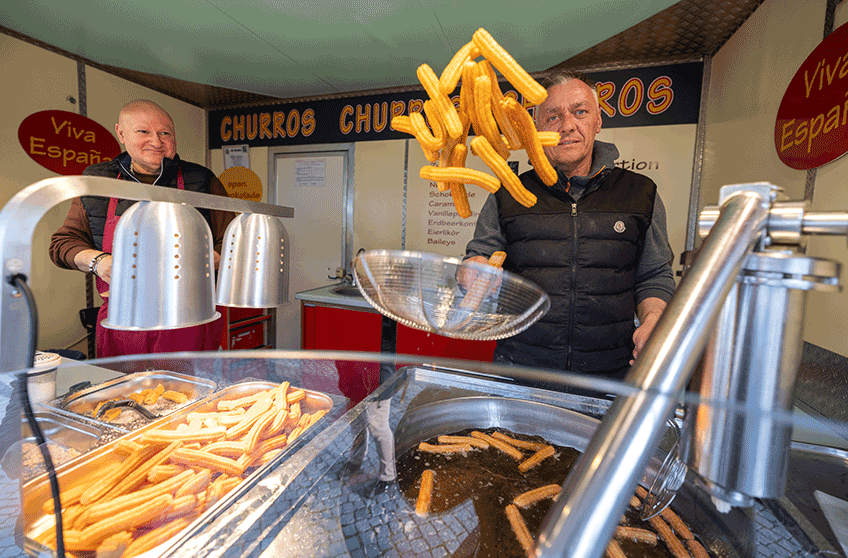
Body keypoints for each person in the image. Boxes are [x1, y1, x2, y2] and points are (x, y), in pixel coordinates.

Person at [463, 71, 675, 379]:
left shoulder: (641, 193)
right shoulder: (507, 193)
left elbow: (654, 275)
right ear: (535, 129)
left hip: (609, 375)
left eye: (580, 112)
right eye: (552, 117)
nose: (567, 126)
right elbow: (478, 256)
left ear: (598, 121)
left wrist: (654, 319)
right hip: (521, 372)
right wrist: (471, 271)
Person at [49, 99, 235, 358]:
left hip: (189, 319)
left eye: (165, 133)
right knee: (121, 395)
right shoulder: (98, 181)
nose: (156, 142)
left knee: (194, 393)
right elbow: (63, 244)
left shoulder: (202, 180)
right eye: (143, 132)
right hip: (122, 321)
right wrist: (99, 262)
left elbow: (232, 244)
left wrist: (212, 260)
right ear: (121, 133)